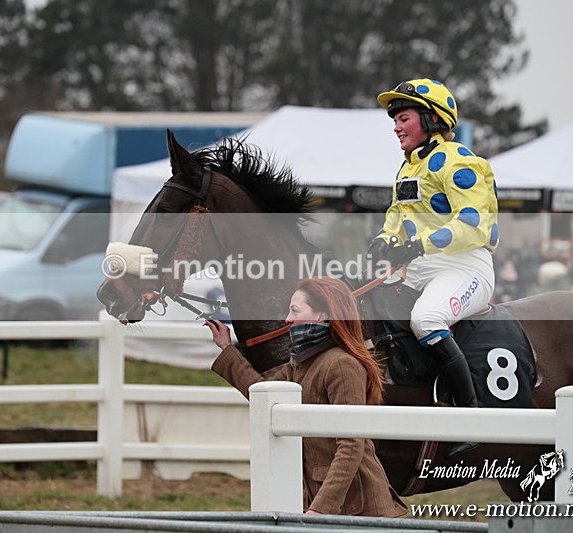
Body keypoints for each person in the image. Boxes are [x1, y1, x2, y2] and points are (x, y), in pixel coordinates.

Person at [369, 78, 499, 458]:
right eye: (395, 119)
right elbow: (397, 215)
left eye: (403, 117)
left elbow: (475, 224)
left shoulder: (460, 160)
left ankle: (470, 418)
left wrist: (417, 245)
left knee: (426, 320)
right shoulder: (408, 168)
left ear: (430, 119)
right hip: (421, 269)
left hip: (466, 269)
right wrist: (384, 240)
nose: (396, 126)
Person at [205, 277, 407, 517]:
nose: (288, 319)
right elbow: (262, 394)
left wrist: (320, 510)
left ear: (322, 315)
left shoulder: (342, 365)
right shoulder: (301, 363)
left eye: (294, 310)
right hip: (337, 509)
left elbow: (352, 446)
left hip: (360, 511)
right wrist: (227, 349)